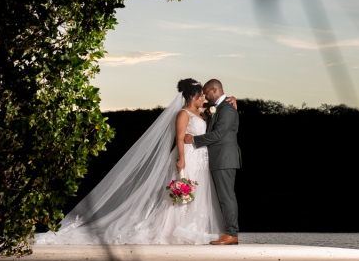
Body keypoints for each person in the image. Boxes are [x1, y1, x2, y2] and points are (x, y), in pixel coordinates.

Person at [33, 79, 233, 245]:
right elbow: (180, 138)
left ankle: (197, 225)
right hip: (189, 155)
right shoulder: (183, 114)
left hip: (202, 157)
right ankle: (178, 228)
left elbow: (217, 106)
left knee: (201, 190)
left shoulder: (202, 111)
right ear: (192, 97)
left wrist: (232, 100)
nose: (204, 98)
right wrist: (181, 159)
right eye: (200, 95)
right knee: (185, 189)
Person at [184, 79, 241, 246]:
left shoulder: (227, 110)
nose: (205, 97)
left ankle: (231, 233)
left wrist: (193, 139)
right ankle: (228, 232)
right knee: (223, 196)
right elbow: (204, 109)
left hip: (225, 157)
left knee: (227, 196)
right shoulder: (220, 107)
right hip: (218, 158)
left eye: (206, 93)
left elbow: (218, 134)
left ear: (214, 91)